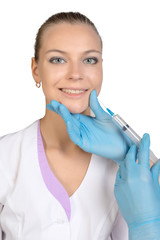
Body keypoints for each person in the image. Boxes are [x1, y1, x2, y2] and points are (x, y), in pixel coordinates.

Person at [0, 11, 132, 239]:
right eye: (58, 59)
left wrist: (132, 152)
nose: (76, 74)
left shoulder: (120, 161)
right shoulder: (6, 156)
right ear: (36, 70)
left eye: (89, 60)